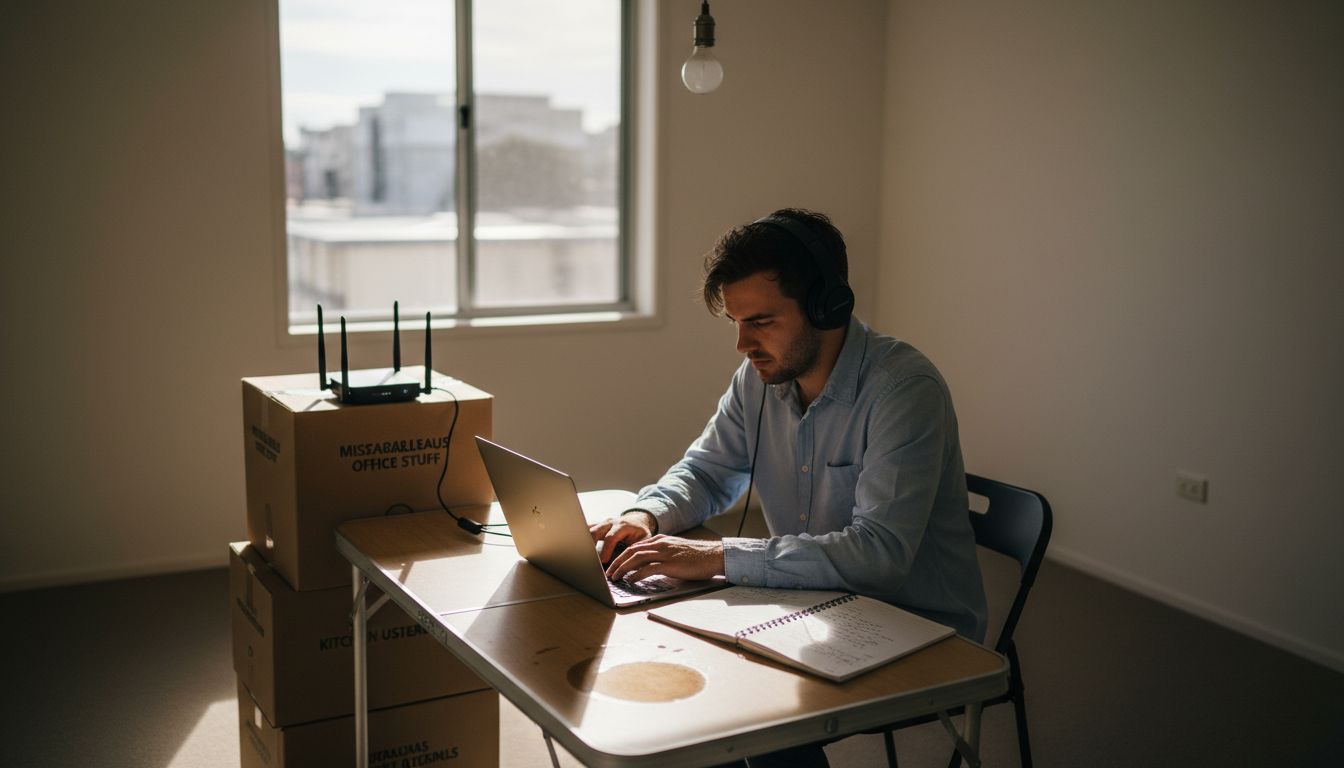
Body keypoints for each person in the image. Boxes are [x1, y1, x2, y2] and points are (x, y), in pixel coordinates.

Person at [591, 208, 987, 766]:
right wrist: (647, 516)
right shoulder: (759, 377)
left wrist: (716, 556)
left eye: (762, 321)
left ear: (829, 307)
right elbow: (706, 471)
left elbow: (879, 557)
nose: (742, 343)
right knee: (690, 699)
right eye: (735, 321)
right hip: (813, 602)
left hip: (914, 621)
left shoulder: (902, 389)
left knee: (758, 718)